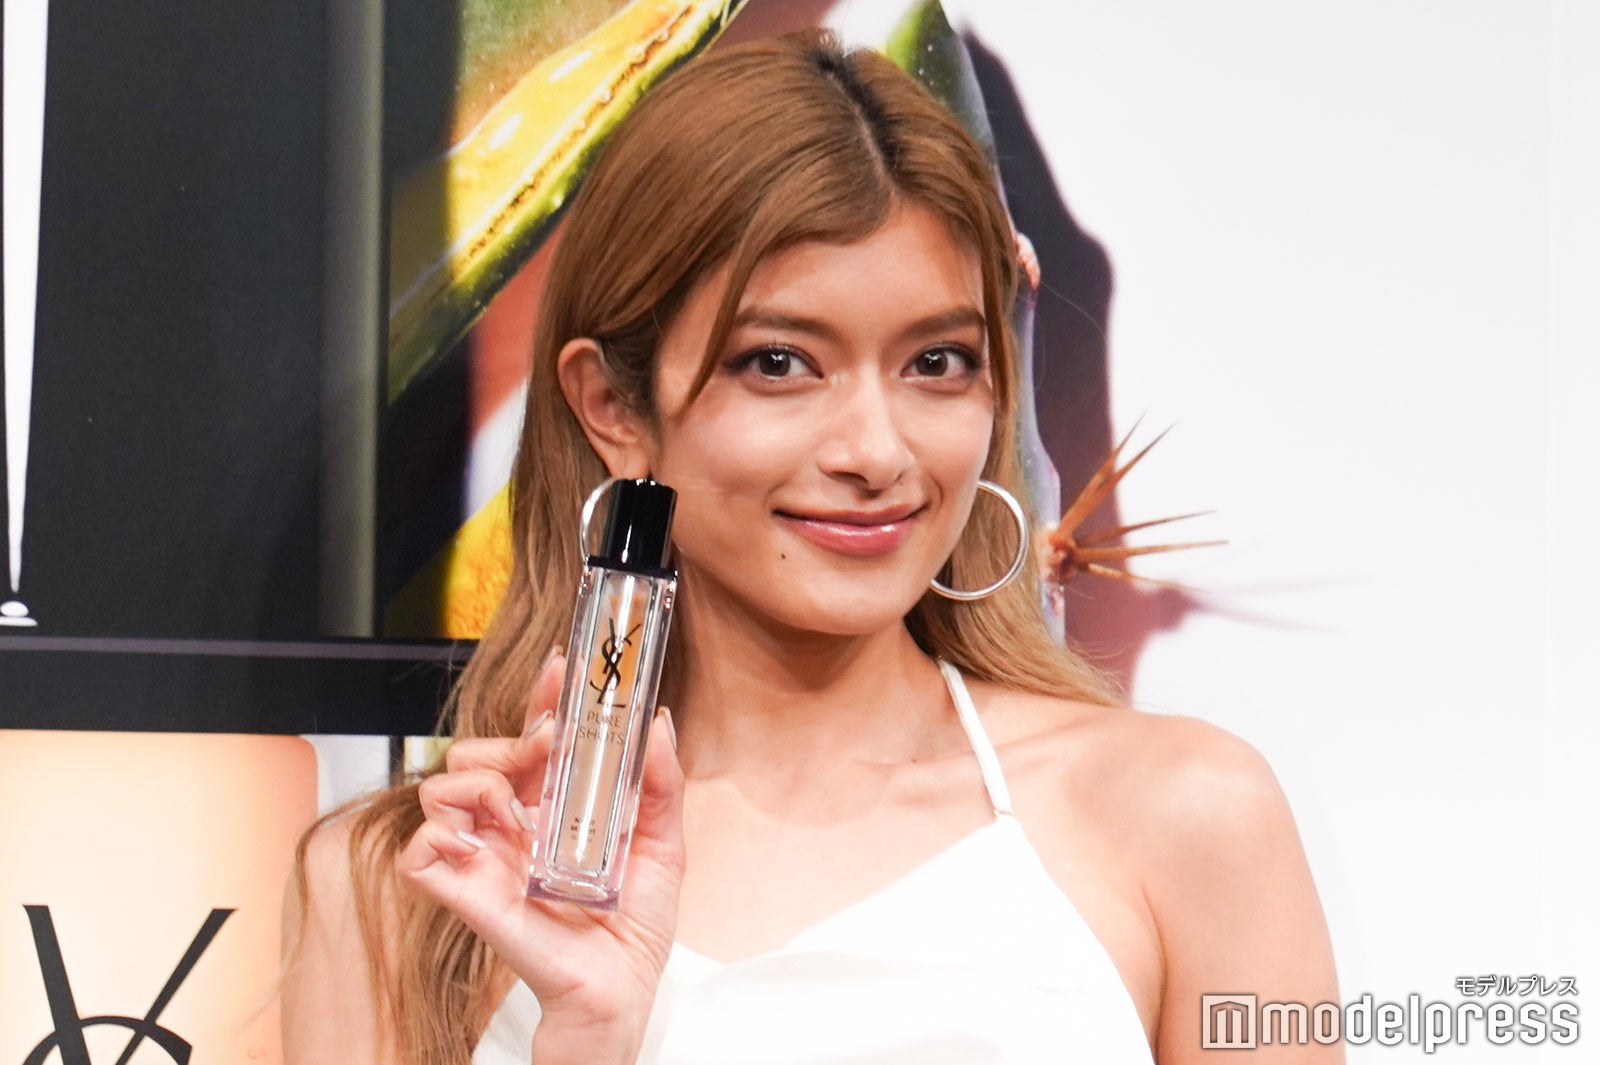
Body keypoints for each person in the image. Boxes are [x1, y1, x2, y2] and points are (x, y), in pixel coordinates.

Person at [280, 30, 1340, 1065]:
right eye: (779, 363)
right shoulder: (404, 887)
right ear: (611, 405)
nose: (876, 452)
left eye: (937, 362)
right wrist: (589, 1044)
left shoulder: (1185, 817)